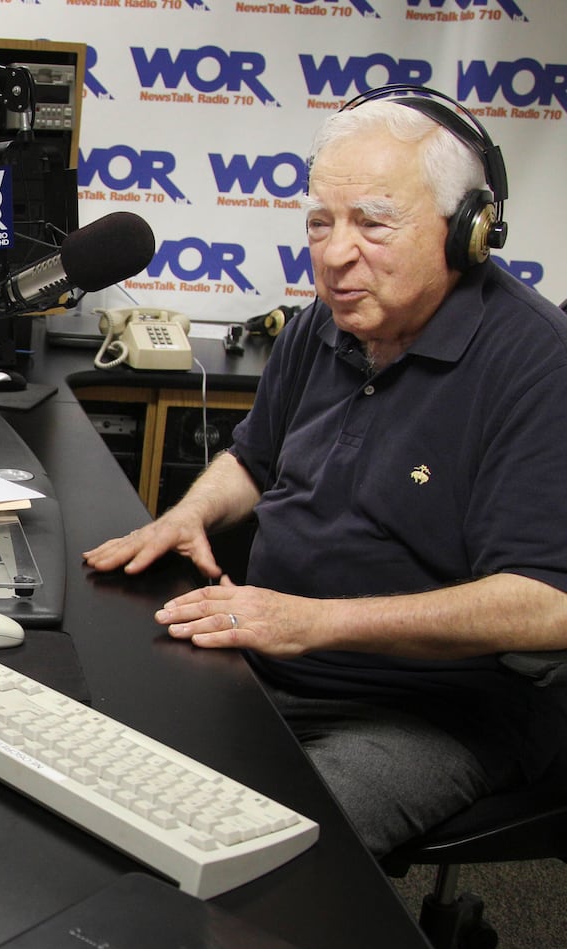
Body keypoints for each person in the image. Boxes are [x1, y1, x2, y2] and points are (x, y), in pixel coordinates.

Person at [83, 92, 567, 857]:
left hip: (425, 711)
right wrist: (191, 512)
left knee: (249, 861)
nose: (336, 255)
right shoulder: (329, 319)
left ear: (470, 232)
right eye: (321, 222)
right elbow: (254, 457)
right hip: (268, 661)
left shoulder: (537, 362)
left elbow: (547, 604)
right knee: (100, 770)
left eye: (373, 223)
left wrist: (314, 622)